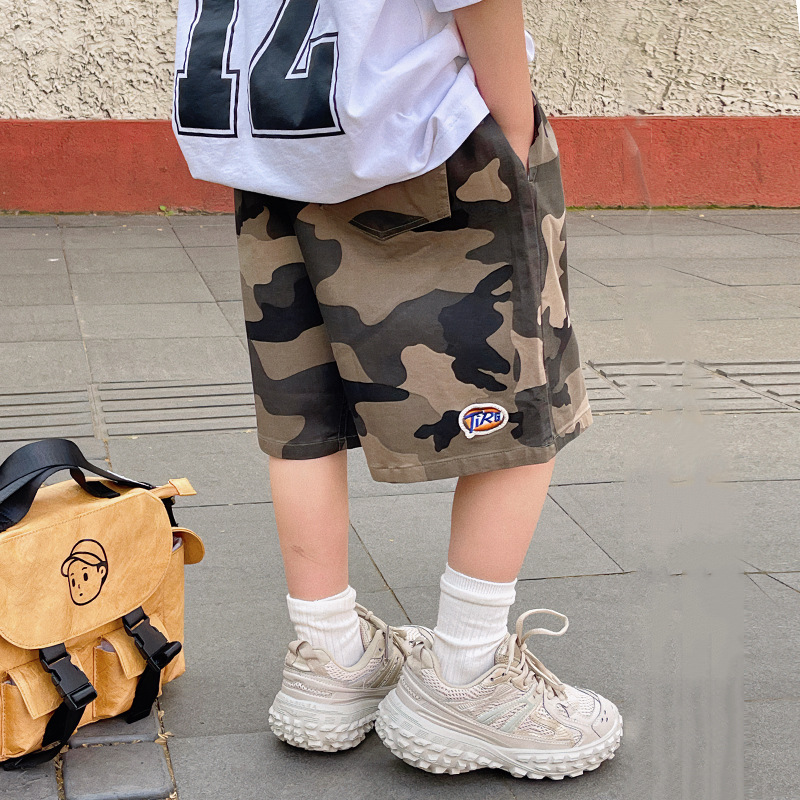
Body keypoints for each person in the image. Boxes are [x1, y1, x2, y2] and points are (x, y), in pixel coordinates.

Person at [171, 0, 622, 779]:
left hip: (279, 138)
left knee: (300, 410)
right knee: (519, 408)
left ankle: (329, 660)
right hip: (426, 139)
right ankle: (468, 676)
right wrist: (514, 130)